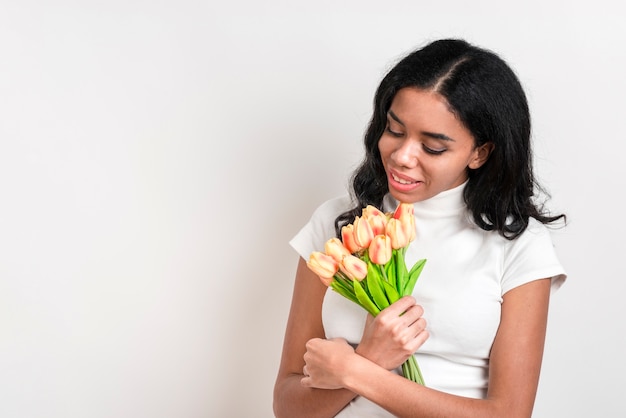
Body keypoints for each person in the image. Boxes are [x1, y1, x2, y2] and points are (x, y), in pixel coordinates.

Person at [273, 38, 566, 418]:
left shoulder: (519, 244)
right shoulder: (338, 224)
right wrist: (372, 356)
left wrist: (357, 369)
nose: (402, 156)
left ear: (480, 153)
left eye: (433, 147)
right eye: (394, 130)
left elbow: (509, 414)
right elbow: (288, 405)